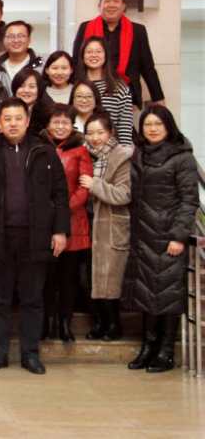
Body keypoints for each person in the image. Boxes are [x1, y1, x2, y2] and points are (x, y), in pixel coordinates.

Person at [0, 97, 70, 375]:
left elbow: (60, 195)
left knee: (32, 298)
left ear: (27, 122)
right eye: (7, 119)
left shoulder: (44, 153)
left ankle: (30, 354)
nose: (13, 124)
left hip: (35, 237)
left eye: (18, 118)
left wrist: (60, 230)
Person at [125, 105, 198, 373]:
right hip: (142, 234)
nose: (152, 129)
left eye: (158, 124)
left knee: (168, 294)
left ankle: (165, 352)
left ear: (168, 126)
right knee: (147, 293)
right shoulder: (139, 153)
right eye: (147, 124)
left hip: (168, 236)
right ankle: (148, 347)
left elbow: (189, 200)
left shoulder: (182, 157)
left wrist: (179, 236)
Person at [79, 112, 131, 343]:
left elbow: (124, 194)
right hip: (87, 222)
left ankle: (113, 324)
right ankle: (99, 322)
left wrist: (95, 185)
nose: (95, 138)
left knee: (109, 277)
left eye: (100, 132)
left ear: (110, 132)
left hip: (111, 223)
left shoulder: (122, 156)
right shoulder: (85, 155)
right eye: (90, 133)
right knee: (90, 277)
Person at [42, 104, 93, 342]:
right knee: (46, 278)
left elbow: (85, 187)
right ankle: (46, 322)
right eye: (56, 122)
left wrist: (62, 209)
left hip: (73, 222)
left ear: (72, 126)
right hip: (44, 223)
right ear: (48, 124)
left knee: (68, 278)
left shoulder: (80, 150)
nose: (60, 127)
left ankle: (65, 323)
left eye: (65, 123)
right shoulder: (39, 148)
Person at [72, 0, 165, 108]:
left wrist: (158, 99)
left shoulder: (138, 30)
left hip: (128, 94)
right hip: (90, 94)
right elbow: (76, 62)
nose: (111, 5)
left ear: (123, 6)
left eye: (116, 1)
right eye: (107, 1)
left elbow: (148, 67)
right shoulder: (86, 27)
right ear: (99, 6)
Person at [76, 36, 134, 148]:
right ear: (82, 56)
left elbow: (125, 128)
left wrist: (122, 154)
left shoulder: (119, 88)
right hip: (78, 149)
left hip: (111, 151)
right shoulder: (75, 85)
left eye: (98, 51)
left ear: (106, 55)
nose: (94, 55)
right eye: (89, 52)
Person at [0, 20, 44, 90]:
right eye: (11, 36)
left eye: (21, 36)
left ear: (29, 39)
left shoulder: (42, 64)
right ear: (4, 40)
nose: (16, 40)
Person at [10, 68, 52, 135]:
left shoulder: (47, 113)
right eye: (22, 86)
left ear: (39, 89)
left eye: (32, 87)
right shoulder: (6, 109)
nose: (26, 90)